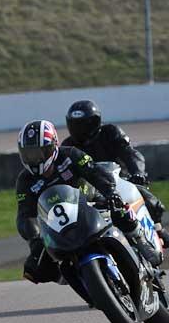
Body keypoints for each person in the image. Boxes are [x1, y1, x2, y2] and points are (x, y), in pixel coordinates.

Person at [15, 120, 162, 285]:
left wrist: (110, 192)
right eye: (30, 154)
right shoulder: (25, 181)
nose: (36, 159)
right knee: (35, 268)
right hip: (59, 225)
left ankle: (140, 239)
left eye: (40, 152)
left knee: (120, 209)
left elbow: (94, 172)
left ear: (53, 146)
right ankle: (81, 282)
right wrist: (34, 239)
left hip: (93, 202)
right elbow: (25, 214)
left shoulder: (70, 154)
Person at [62, 99, 169, 244]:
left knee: (150, 201)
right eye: (75, 124)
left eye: (83, 124)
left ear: (94, 122)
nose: (79, 129)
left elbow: (131, 154)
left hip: (118, 182)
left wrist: (138, 173)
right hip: (86, 192)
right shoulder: (68, 146)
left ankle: (157, 229)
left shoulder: (110, 132)